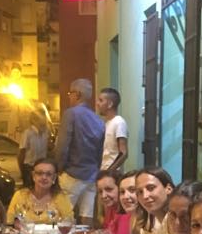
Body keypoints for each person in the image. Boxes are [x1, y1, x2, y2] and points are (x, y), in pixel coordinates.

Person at [54, 79, 105, 225]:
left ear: (77, 94)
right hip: (91, 174)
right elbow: (100, 151)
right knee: (87, 216)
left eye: (70, 93)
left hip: (72, 173)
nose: (69, 96)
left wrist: (58, 168)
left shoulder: (71, 114)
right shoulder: (98, 120)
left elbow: (63, 145)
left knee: (63, 215)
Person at [6, 158, 74, 226]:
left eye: (49, 174)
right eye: (39, 173)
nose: (44, 177)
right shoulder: (20, 195)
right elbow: (9, 222)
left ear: (54, 177)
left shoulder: (61, 197)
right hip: (25, 232)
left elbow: (69, 223)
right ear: (33, 175)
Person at [130, 167, 174, 234]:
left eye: (151, 188)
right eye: (140, 192)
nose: (145, 196)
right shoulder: (158, 220)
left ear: (168, 188)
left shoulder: (177, 220)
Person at [95, 170, 131, 234]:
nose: (103, 195)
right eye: (100, 191)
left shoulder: (126, 211)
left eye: (109, 189)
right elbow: (105, 232)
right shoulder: (111, 207)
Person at [96, 87, 128, 173]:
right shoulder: (106, 123)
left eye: (101, 100)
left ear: (110, 104)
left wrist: (110, 172)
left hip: (113, 174)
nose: (97, 103)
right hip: (103, 171)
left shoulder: (119, 122)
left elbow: (123, 153)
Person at [18, 112, 49, 189]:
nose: (44, 120)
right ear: (34, 120)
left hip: (42, 167)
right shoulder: (28, 133)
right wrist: (22, 170)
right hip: (30, 167)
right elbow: (22, 152)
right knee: (30, 190)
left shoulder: (45, 133)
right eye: (42, 118)